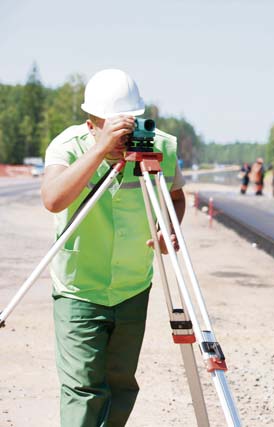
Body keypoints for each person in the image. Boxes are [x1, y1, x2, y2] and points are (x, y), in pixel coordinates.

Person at [40, 69, 186, 427]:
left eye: (128, 124)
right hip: (79, 288)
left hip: (132, 285)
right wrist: (100, 150)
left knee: (121, 385)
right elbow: (53, 199)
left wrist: (168, 229)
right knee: (83, 388)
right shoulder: (68, 146)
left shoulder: (160, 147)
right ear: (92, 123)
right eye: (113, 127)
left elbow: (176, 198)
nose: (124, 136)